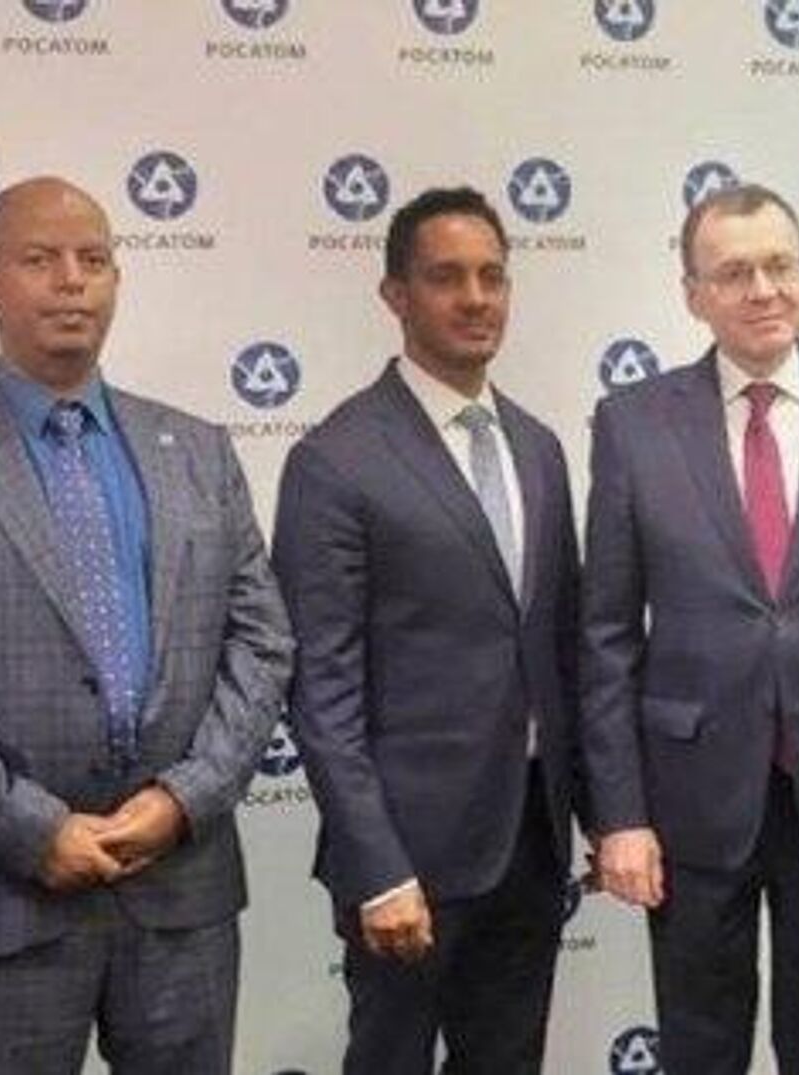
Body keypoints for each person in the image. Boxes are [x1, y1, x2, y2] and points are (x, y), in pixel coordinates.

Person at [0, 176, 294, 1074]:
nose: (71, 280)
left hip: (179, 894)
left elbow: (262, 640)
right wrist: (32, 829)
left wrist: (185, 799)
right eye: (39, 259)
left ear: (119, 276)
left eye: (94, 259)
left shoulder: (199, 449)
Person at [583, 183, 799, 1074]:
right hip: (691, 795)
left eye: (781, 265)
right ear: (693, 294)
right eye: (734, 272)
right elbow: (608, 638)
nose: (763, 289)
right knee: (701, 1047)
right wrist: (620, 815)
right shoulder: (633, 425)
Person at [272, 186, 581, 1075]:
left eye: (492, 276)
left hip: (531, 842)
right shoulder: (337, 458)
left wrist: (603, 815)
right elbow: (321, 691)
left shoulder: (538, 447)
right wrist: (377, 866)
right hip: (407, 857)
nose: (476, 298)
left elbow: (560, 649)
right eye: (447, 277)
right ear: (396, 296)